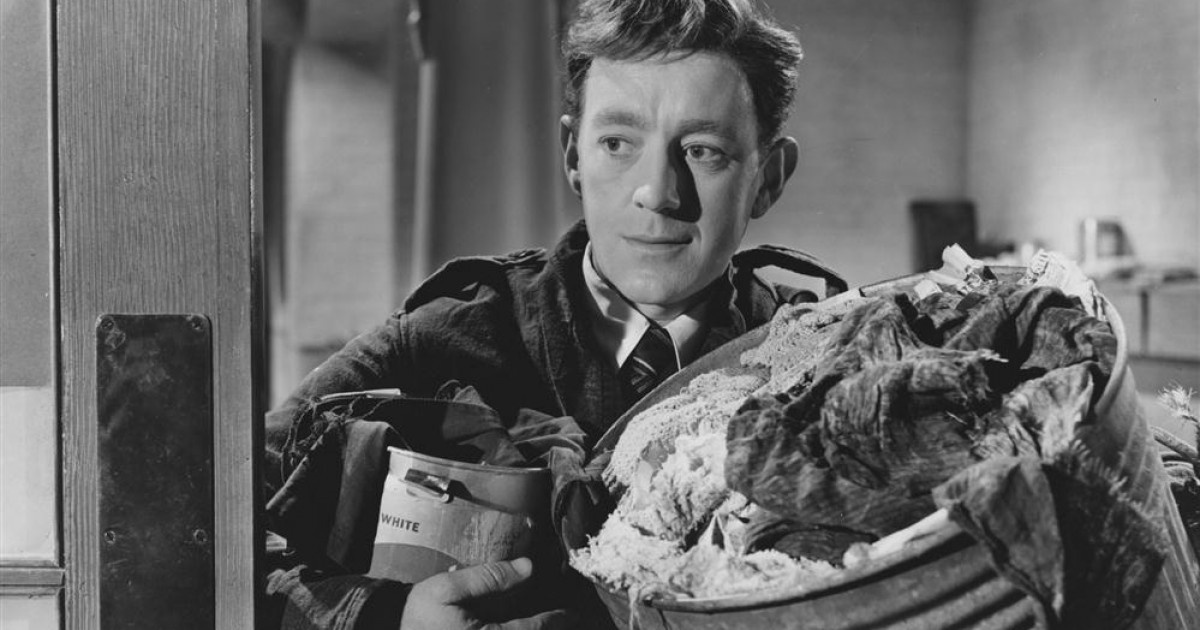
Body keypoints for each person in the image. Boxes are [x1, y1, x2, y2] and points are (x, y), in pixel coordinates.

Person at [262, 0, 846, 627]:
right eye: (617, 143)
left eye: (703, 151)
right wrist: (386, 617)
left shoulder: (822, 372)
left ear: (768, 177)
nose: (658, 192)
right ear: (573, 156)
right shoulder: (435, 343)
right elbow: (210, 523)